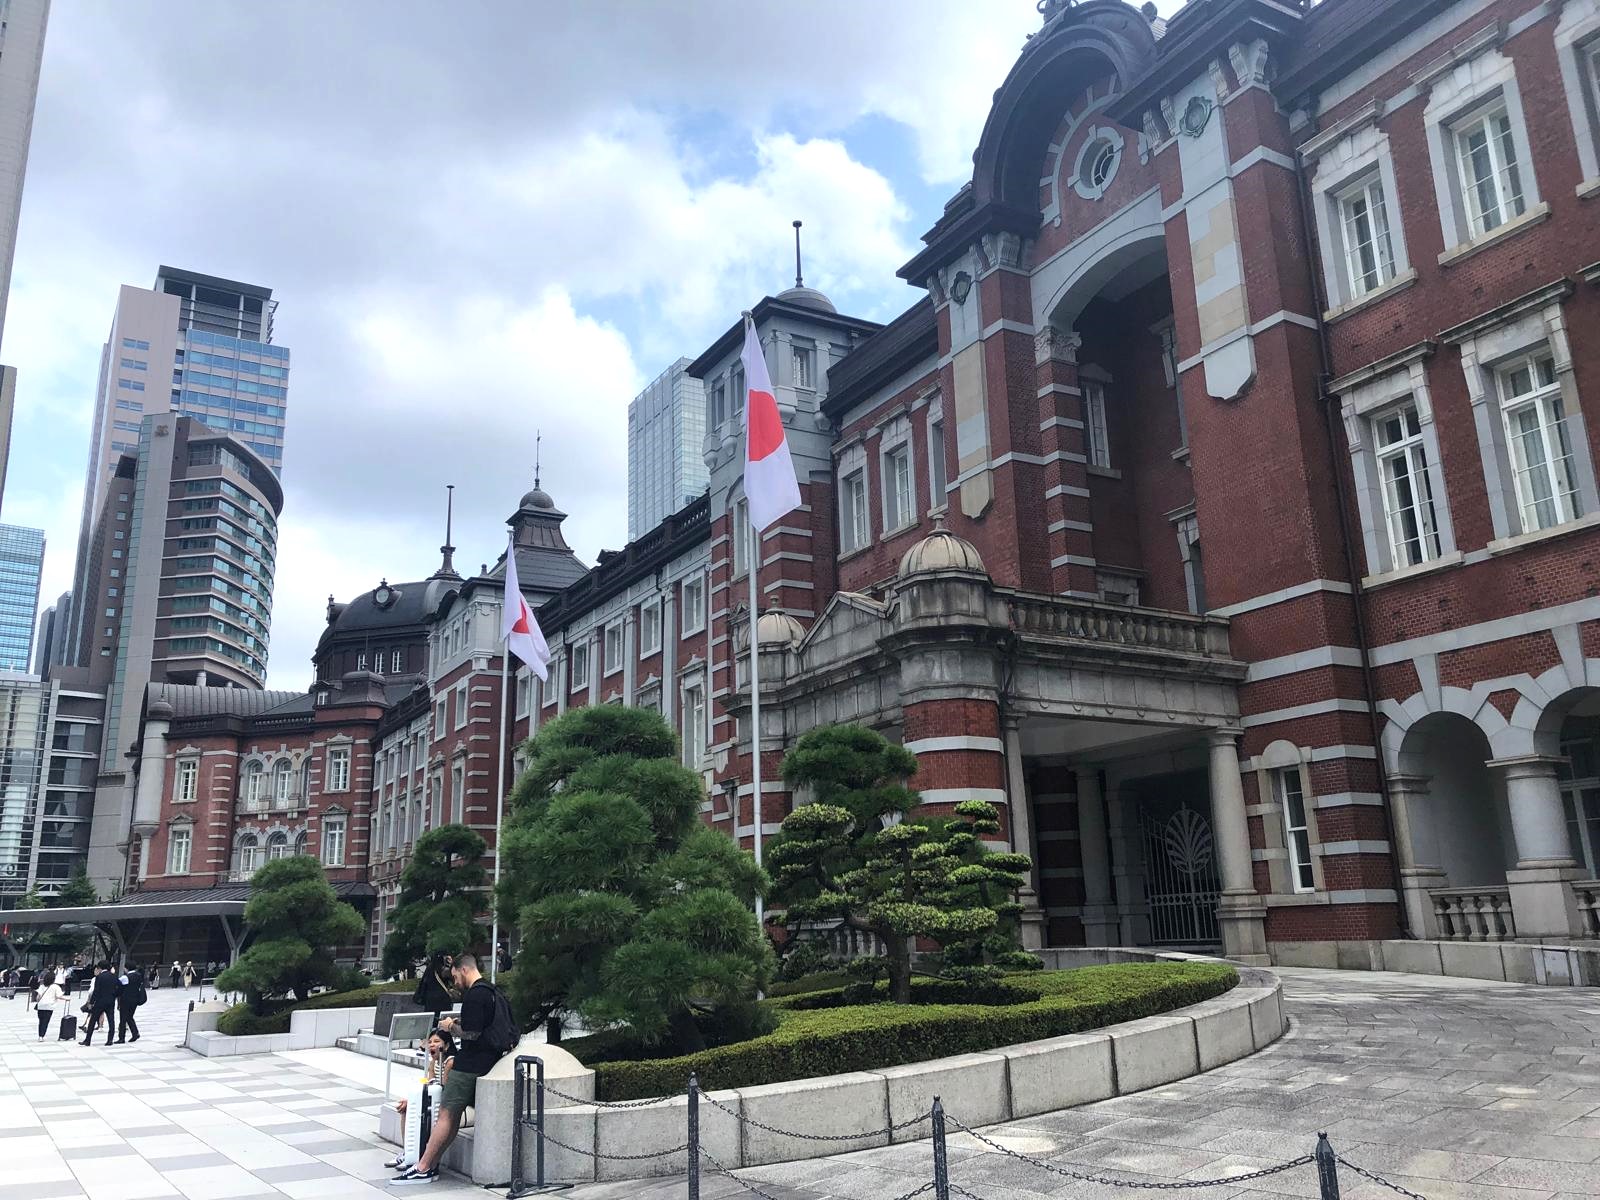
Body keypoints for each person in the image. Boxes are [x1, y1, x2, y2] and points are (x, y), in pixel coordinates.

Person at [392, 953, 516, 1185]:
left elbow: (472, 1032)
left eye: (454, 975)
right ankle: (429, 1163)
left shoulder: (476, 995)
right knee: (451, 1115)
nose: (454, 981)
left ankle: (423, 1166)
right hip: (489, 1060)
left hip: (470, 1064)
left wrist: (450, 1026)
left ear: (463, 969)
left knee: (447, 1115)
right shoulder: (492, 991)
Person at [385, 1027, 456, 1173]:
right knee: (406, 1107)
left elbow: (443, 1089)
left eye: (437, 1041)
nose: (432, 1045)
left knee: (415, 1108)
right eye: (430, 1042)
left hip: (444, 1101)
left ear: (447, 1045)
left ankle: (417, 1156)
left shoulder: (449, 1062)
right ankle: (408, 1153)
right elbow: (429, 1085)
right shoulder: (433, 1063)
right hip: (434, 1098)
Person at [80, 962, 119, 1047]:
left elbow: (96, 991)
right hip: (110, 1001)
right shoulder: (114, 976)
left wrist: (91, 1002)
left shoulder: (99, 977)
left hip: (100, 1001)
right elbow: (119, 988)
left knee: (93, 1020)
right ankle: (110, 1040)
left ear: (100, 968)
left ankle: (88, 1040)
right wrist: (114, 995)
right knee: (111, 1021)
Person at [116, 964, 147, 1044]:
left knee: (123, 1018)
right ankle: (135, 1033)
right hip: (135, 1000)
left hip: (125, 1000)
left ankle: (121, 1038)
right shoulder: (139, 976)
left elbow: (116, 984)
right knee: (129, 1017)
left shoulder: (125, 977)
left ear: (126, 968)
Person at [35, 971, 62, 1040]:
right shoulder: (56, 986)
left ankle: (40, 1035)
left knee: (41, 1021)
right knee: (45, 1021)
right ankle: (42, 1035)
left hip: (41, 1006)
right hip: (49, 1006)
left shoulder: (42, 986)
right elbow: (59, 996)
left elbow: (38, 997)